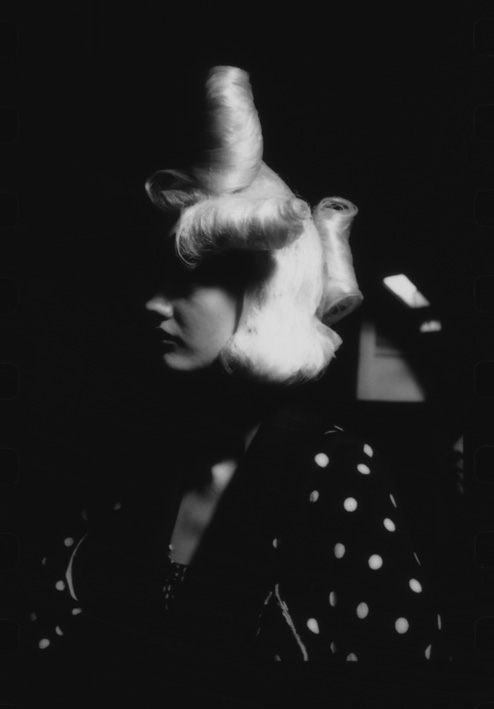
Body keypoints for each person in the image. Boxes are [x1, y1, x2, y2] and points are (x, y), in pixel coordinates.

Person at [22, 66, 450, 706]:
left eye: (193, 279)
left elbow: (400, 678)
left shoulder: (331, 468)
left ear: (263, 295)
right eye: (155, 275)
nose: (153, 303)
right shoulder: (131, 458)